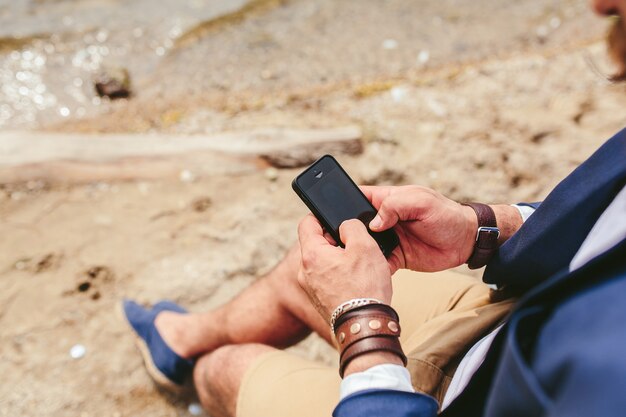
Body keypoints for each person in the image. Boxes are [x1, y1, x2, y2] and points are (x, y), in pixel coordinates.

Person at [122, 1, 626, 416]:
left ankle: (204, 370)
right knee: (310, 265)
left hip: (462, 399)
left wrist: (363, 323)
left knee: (225, 370)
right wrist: (482, 228)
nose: (599, 5)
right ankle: (182, 341)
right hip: (504, 324)